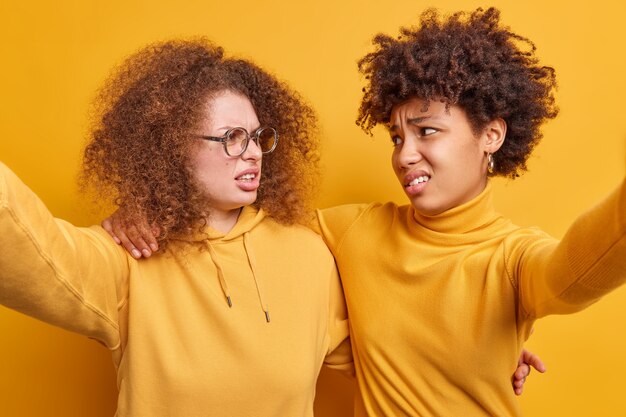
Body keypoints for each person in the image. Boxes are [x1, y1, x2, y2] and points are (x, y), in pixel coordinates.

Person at [101, 11, 554, 417]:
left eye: (426, 131)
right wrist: (149, 205)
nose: (404, 156)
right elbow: (242, 225)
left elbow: (577, 270)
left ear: (492, 134)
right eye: (396, 138)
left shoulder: (517, 254)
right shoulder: (354, 229)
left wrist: (481, 359)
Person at [0, 39, 353, 417]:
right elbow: (35, 252)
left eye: (256, 136)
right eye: (232, 137)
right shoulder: (131, 254)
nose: (251, 152)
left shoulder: (309, 256)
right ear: (172, 148)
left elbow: (391, 357)